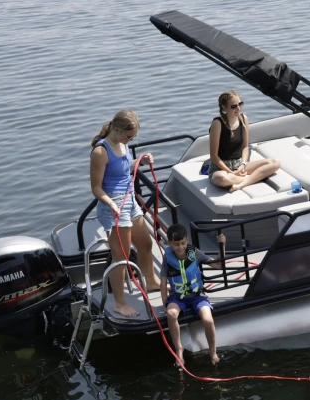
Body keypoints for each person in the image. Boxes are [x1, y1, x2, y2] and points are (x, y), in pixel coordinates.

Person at [90, 109, 160, 318]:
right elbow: (96, 188)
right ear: (117, 130)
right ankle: (120, 303)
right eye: (129, 136)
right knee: (121, 256)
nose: (131, 140)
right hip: (113, 204)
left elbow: (124, 167)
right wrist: (111, 204)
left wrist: (141, 162)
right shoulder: (100, 152)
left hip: (130, 201)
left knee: (145, 244)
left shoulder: (122, 143)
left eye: (133, 137)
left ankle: (151, 282)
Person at [159, 223, 226, 365]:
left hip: (197, 296)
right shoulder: (167, 258)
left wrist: (223, 245)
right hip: (177, 297)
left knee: (208, 320)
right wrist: (165, 303)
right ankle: (179, 350)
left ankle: (213, 352)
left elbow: (218, 265)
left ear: (187, 240)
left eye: (183, 243)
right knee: (171, 314)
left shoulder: (195, 253)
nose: (180, 247)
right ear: (169, 243)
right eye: (176, 244)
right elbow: (163, 283)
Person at [206, 90, 282, 193]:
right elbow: (214, 156)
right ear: (224, 107)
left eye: (240, 104)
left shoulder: (243, 118)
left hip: (239, 164)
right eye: (234, 106)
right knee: (222, 178)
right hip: (221, 168)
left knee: (275, 162)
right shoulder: (218, 123)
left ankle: (241, 184)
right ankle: (254, 178)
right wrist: (231, 172)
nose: (238, 108)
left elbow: (245, 147)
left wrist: (243, 165)